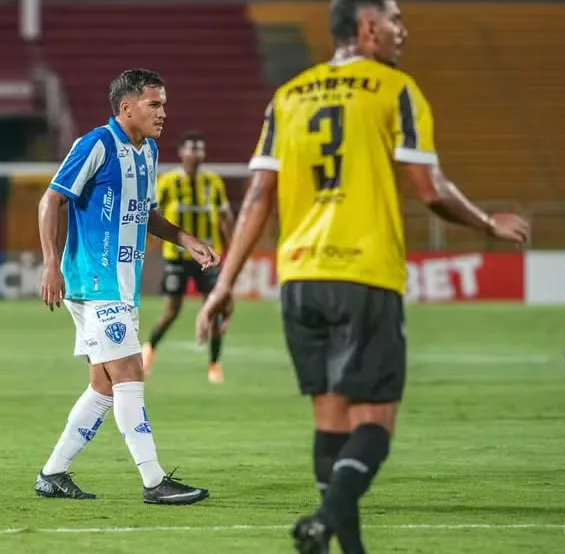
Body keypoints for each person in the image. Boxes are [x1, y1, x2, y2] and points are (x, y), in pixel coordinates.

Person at [195, 1, 530, 552]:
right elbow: (430, 188)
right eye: (396, 19)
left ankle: (348, 547)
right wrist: (488, 223)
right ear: (368, 28)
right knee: (374, 423)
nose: (404, 30)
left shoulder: (288, 98)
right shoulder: (393, 88)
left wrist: (226, 283)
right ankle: (324, 521)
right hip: (364, 274)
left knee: (330, 422)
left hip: (300, 275)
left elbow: (258, 195)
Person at [34, 68, 217, 505]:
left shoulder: (148, 151)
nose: (163, 113)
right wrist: (49, 265)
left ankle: (53, 473)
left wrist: (186, 238)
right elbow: (51, 198)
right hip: (95, 282)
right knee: (130, 372)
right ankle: (154, 482)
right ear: (126, 108)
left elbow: (145, 212)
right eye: (155, 104)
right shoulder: (95, 144)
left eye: (164, 104)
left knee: (103, 386)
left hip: (122, 284)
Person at [142, 131, 234, 383]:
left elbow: (225, 219)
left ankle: (214, 364)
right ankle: (149, 349)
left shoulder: (213, 183)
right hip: (177, 257)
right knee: (172, 310)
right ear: (181, 153)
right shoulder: (168, 182)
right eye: (191, 148)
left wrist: (232, 250)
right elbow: (155, 217)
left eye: (200, 149)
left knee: (214, 309)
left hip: (209, 258)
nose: (196, 154)